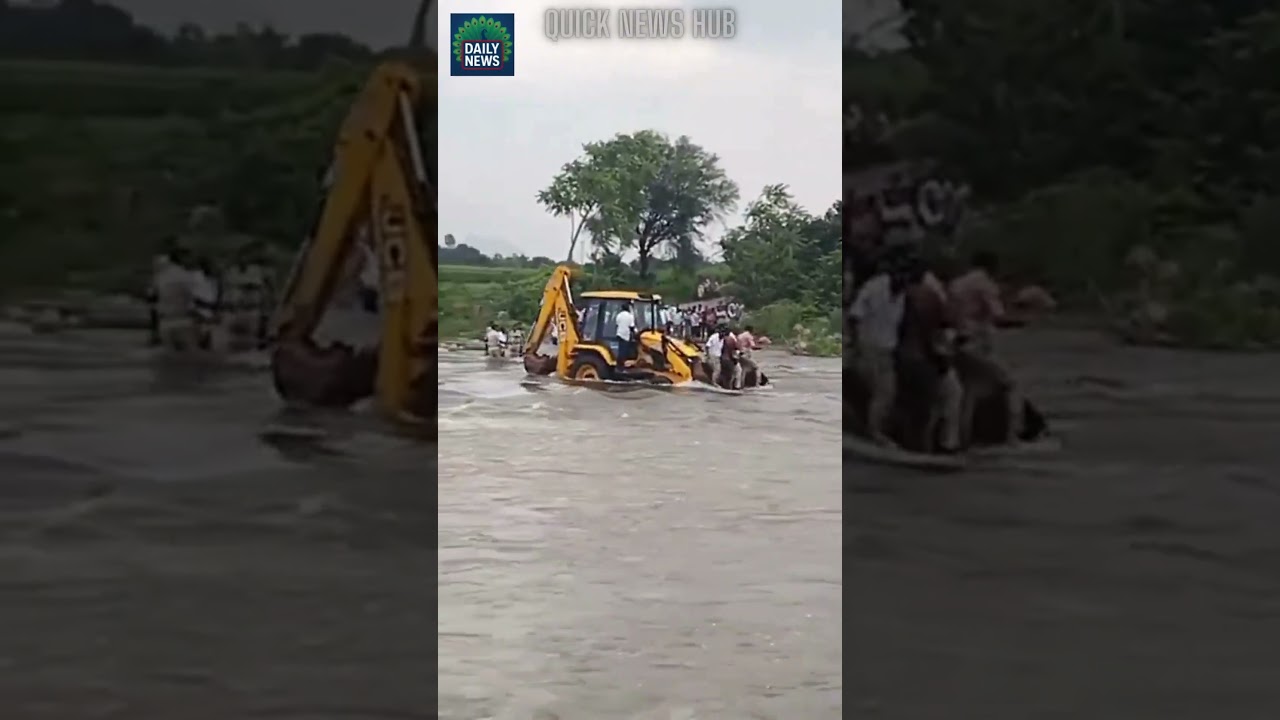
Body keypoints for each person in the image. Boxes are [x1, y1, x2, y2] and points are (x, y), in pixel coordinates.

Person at [949, 250, 1022, 445]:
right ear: (992, 267)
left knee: (968, 393)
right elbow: (998, 315)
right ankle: (1013, 438)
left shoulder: (956, 284)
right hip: (977, 343)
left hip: (958, 342)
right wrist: (1021, 320)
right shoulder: (985, 284)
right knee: (1010, 385)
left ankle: (962, 441)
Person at [898, 258, 962, 453]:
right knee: (951, 396)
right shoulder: (930, 297)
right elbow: (936, 330)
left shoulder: (898, 295)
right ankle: (945, 444)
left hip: (900, 355)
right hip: (922, 357)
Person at [850, 259, 908, 446]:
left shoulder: (902, 293)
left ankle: (874, 429)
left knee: (886, 392)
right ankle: (875, 433)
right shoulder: (874, 288)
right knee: (884, 391)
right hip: (869, 346)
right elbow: (854, 316)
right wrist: (856, 346)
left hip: (886, 348)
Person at [614, 301, 636, 370]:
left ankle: (619, 365)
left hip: (619, 334)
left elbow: (617, 324)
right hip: (625, 335)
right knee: (624, 351)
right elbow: (631, 327)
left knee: (621, 350)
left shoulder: (619, 315)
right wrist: (635, 334)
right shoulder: (630, 316)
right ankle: (621, 367)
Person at [718, 324, 739, 389]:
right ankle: (731, 388)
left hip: (722, 359)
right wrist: (735, 360)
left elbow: (721, 350)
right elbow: (733, 350)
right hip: (729, 360)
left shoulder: (722, 339)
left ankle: (723, 387)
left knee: (724, 375)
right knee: (731, 376)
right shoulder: (731, 340)